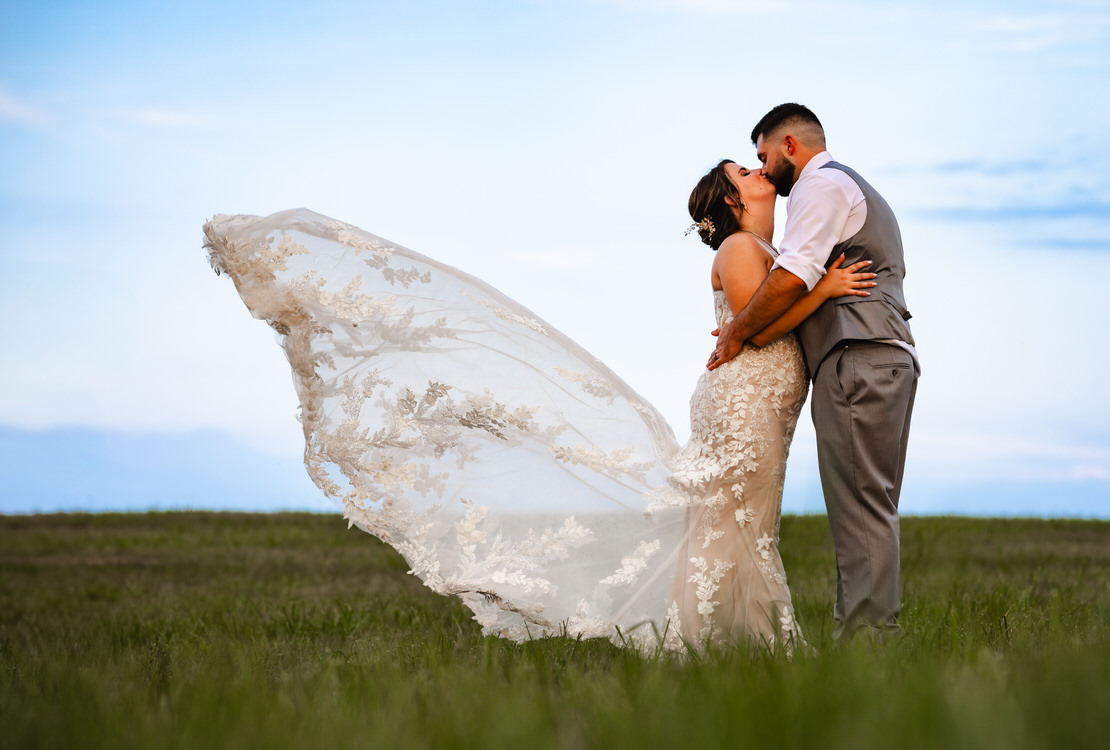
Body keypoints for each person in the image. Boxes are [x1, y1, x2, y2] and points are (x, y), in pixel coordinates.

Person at [201, 164, 873, 654]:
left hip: (759, 404)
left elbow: (757, 318)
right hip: (741, 405)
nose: (763, 174)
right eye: (748, 172)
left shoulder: (766, 251)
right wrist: (828, 289)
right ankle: (725, 648)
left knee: (736, 526)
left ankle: (725, 647)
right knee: (729, 525)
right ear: (730, 200)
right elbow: (759, 326)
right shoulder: (738, 247)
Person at [709, 103, 918, 640]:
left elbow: (793, 274)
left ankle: (871, 643)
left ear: (789, 147)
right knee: (865, 502)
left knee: (861, 506)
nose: (763, 170)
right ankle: (863, 635)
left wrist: (737, 330)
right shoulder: (843, 187)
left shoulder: (819, 188)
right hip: (875, 355)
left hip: (860, 357)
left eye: (762, 156)